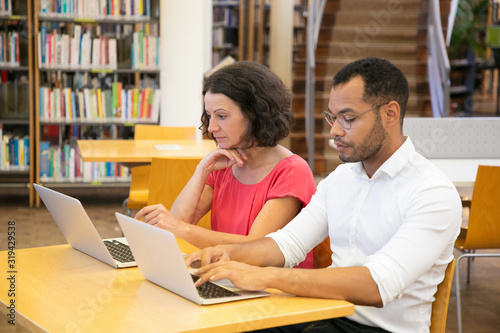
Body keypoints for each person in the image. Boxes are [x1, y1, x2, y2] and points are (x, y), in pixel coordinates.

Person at [185, 57, 462, 332]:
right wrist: (222, 254)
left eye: (348, 118)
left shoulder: (432, 193)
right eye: (333, 117)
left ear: (390, 114)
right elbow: (285, 245)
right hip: (326, 315)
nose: (335, 131)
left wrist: (265, 276)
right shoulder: (340, 180)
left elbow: (377, 285)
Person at [135, 61, 316, 268]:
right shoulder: (224, 165)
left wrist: (182, 229)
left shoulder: (292, 171)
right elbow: (178, 223)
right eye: (209, 115)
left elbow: (257, 249)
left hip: (270, 289)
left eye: (222, 116)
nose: (211, 127)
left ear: (254, 115)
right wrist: (202, 171)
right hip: (226, 278)